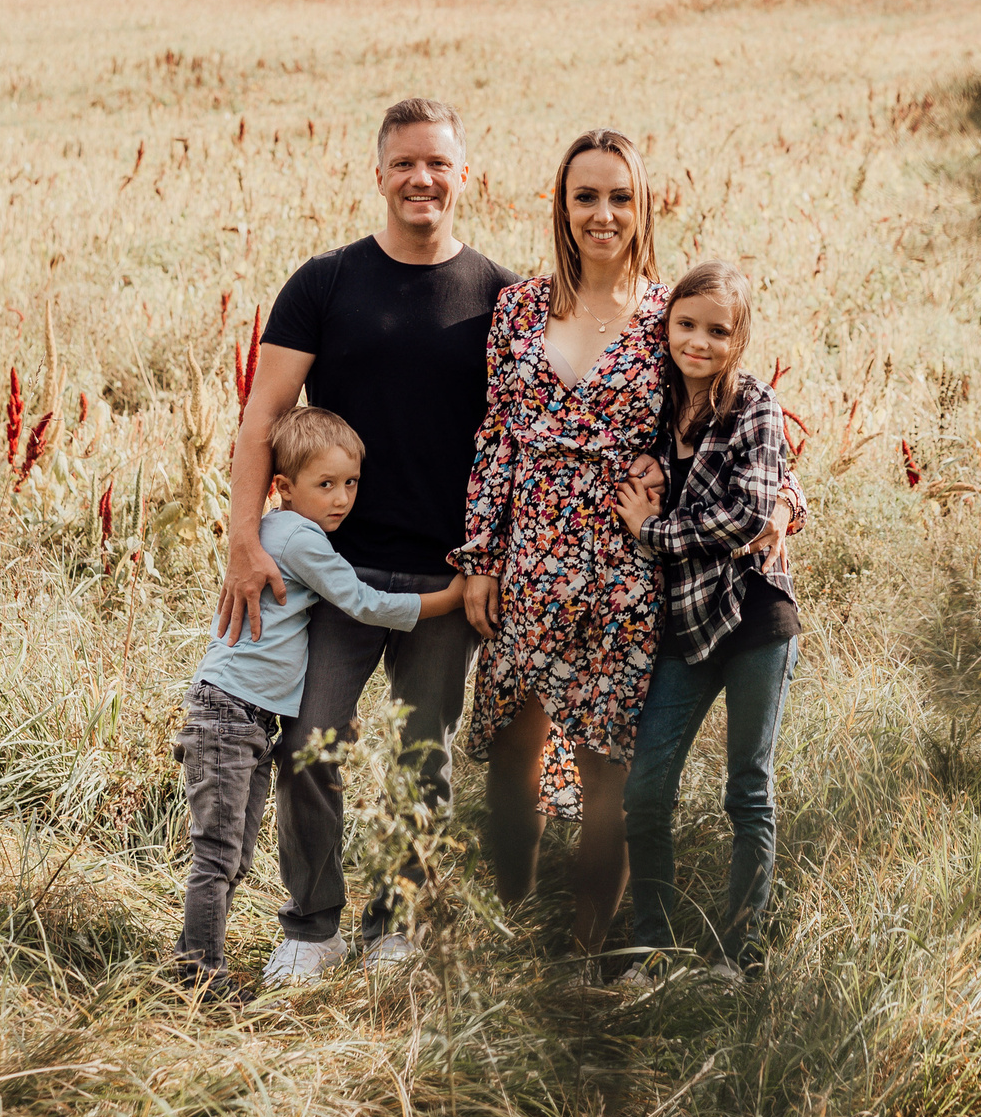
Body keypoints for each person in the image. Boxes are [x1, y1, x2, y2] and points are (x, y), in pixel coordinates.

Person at [216, 98, 518, 986]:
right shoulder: (326, 282)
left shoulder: (502, 295)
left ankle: (400, 923)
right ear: (378, 173)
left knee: (423, 755)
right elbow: (261, 418)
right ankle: (312, 926)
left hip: (446, 577)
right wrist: (244, 539)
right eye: (405, 164)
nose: (422, 179)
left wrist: (494, 564)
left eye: (439, 164)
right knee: (311, 745)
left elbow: (523, 438)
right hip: (327, 573)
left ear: (465, 176)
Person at [453, 128, 672, 961]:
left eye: (620, 196)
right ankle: (513, 919)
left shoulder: (665, 315)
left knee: (605, 761)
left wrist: (776, 505)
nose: (603, 213)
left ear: (643, 205)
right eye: (586, 196)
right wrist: (479, 558)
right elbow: (496, 439)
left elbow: (723, 416)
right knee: (514, 744)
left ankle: (584, 955)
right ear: (562, 205)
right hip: (529, 557)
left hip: (621, 569)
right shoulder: (517, 308)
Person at [175, 408, 463, 996]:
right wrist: (448, 598)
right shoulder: (299, 538)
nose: (341, 499)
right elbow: (362, 601)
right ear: (283, 487)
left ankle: (205, 968)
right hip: (230, 716)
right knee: (219, 857)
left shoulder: (289, 532)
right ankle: (197, 976)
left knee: (229, 854)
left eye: (351, 483)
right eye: (325, 485)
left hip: (244, 716)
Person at [613, 261, 805, 982]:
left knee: (746, 787)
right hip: (685, 625)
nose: (697, 341)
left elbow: (752, 510)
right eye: (685, 324)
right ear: (666, 326)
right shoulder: (653, 406)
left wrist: (656, 533)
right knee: (645, 788)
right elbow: (774, 491)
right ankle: (650, 944)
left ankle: (738, 953)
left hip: (755, 615)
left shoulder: (753, 401)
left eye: (717, 330)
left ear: (739, 337)